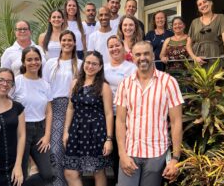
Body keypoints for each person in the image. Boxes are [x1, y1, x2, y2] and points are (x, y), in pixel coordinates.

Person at [115, 41, 184, 186]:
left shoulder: (169, 82)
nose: (142, 58)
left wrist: (175, 159)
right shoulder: (125, 84)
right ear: (132, 58)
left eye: (146, 53)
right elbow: (120, 121)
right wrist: (122, 153)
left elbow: (176, 121)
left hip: (156, 154)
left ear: (153, 55)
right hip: (130, 153)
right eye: (138, 54)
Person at [63, 51, 113, 186]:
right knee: (70, 172)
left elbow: (109, 114)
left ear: (100, 67)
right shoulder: (75, 83)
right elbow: (70, 108)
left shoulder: (104, 86)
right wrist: (66, 131)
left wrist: (109, 139)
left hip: (95, 132)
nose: (90, 66)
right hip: (76, 130)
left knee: (97, 171)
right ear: (83, 63)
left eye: (94, 64)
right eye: (88, 62)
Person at [43, 30, 82, 186]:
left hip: (75, 108)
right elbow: (45, 87)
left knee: (73, 150)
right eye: (64, 40)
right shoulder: (50, 63)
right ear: (60, 42)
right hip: (55, 108)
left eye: (70, 40)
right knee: (56, 150)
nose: (67, 43)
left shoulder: (80, 64)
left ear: (74, 43)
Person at [11, 47, 55, 186]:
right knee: (20, 175)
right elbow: (8, 105)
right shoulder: (17, 82)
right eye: (29, 59)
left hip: (40, 131)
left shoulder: (45, 84)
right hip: (21, 130)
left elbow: (49, 111)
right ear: (23, 63)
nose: (33, 62)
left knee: (49, 174)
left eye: (36, 59)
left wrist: (47, 135)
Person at [104, 36, 136, 184]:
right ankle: (118, 181)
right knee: (114, 152)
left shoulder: (131, 68)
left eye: (117, 45)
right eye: (111, 46)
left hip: (127, 116)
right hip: (108, 116)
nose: (114, 49)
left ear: (123, 47)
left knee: (126, 150)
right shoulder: (103, 68)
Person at [0, 68, 26, 186]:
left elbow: (21, 135)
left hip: (14, 164)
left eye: (9, 81)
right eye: (1, 80)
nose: (5, 84)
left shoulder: (17, 107)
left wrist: (18, 165)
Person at [187, 0, 224, 69]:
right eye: (199, 4)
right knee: (199, 80)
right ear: (198, 8)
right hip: (197, 57)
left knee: (215, 78)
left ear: (211, 2)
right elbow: (188, 44)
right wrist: (194, 57)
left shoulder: (221, 18)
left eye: (204, 2)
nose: (203, 5)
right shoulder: (194, 22)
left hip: (215, 54)